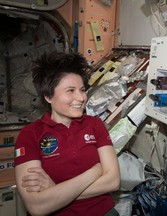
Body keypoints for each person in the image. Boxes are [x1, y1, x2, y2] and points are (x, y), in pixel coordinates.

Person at [14, 51, 120, 216]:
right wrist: (95, 172)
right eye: (70, 90)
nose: (81, 97)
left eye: (82, 89)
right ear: (48, 96)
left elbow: (113, 181)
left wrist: (54, 190)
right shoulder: (30, 135)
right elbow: (36, 206)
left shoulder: (95, 125)